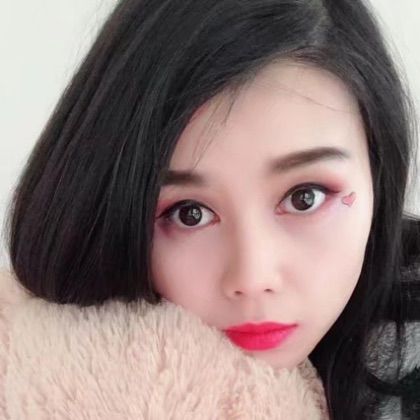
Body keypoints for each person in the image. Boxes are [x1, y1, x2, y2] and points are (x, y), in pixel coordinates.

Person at [1, 0, 419, 418]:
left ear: (378, 176)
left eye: (304, 197)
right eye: (189, 213)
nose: (252, 277)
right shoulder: (60, 362)